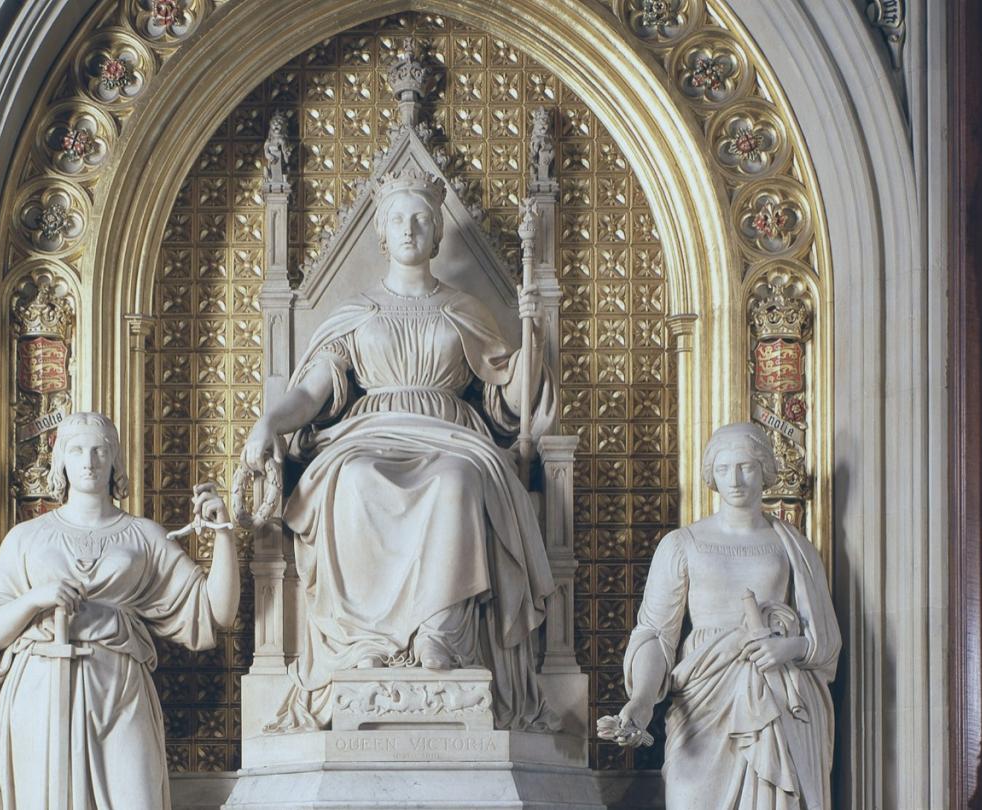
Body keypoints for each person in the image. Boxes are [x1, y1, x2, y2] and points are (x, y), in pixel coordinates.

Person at [246, 168, 558, 731]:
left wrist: (530, 339)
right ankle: (365, 642)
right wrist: (269, 420)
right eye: (397, 218)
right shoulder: (357, 311)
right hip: (370, 433)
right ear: (382, 235)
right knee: (353, 479)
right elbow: (313, 390)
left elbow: (508, 399)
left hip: (452, 435)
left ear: (437, 234)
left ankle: (441, 635)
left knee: (458, 480)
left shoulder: (465, 308)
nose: (409, 228)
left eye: (421, 218)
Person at [0, 412, 239, 810]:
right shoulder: (26, 538)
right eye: (76, 450)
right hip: (40, 693)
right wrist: (35, 599)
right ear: (60, 460)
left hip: (120, 689)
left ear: (114, 460)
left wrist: (223, 532)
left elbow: (216, 612)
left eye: (99, 450)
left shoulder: (145, 536)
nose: (89, 461)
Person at [610, 423, 840, 809]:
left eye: (746, 467)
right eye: (723, 469)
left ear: (765, 470)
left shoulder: (793, 546)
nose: (734, 480)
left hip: (774, 699)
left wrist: (790, 649)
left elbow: (825, 637)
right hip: (702, 702)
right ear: (711, 475)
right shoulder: (683, 544)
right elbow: (654, 634)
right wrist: (643, 700)